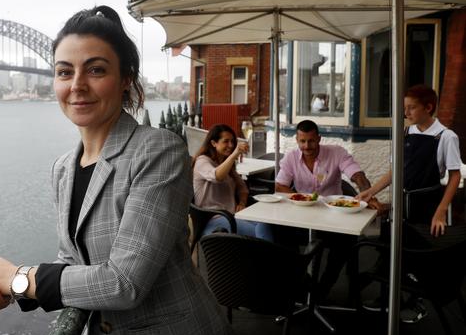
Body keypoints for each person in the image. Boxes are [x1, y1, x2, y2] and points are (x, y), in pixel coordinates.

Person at [0, 5, 236, 335]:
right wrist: (13, 290)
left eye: (96, 70)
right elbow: (73, 261)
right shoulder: (63, 168)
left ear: (125, 80)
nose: (77, 85)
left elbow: (124, 283)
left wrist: (17, 276)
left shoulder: (159, 151)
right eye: (64, 72)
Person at [356, 84, 462, 323]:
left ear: (428, 107)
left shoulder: (446, 136)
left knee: (418, 256)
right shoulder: (405, 132)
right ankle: (387, 296)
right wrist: (371, 191)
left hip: (427, 204)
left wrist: (441, 211)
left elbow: (455, 176)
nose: (406, 112)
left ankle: (417, 302)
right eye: (405, 107)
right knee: (393, 249)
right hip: (402, 204)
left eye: (411, 107)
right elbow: (396, 171)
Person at [275, 119, 381, 300]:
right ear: (297, 140)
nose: (307, 146)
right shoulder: (291, 157)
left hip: (333, 217)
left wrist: (368, 193)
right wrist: (301, 198)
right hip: (301, 216)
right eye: (302, 141)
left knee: (347, 241)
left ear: (319, 138)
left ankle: (324, 285)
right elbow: (280, 186)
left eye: (311, 141)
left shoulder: (336, 153)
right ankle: (302, 280)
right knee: (277, 233)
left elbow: (357, 176)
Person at [192, 124, 274, 241]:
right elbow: (217, 176)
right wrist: (235, 154)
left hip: (233, 216)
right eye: (226, 141)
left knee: (265, 222)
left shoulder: (227, 164)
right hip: (213, 220)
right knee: (259, 233)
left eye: (232, 142)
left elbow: (242, 188)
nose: (230, 145)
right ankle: (269, 257)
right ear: (213, 143)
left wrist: (242, 202)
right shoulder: (202, 161)